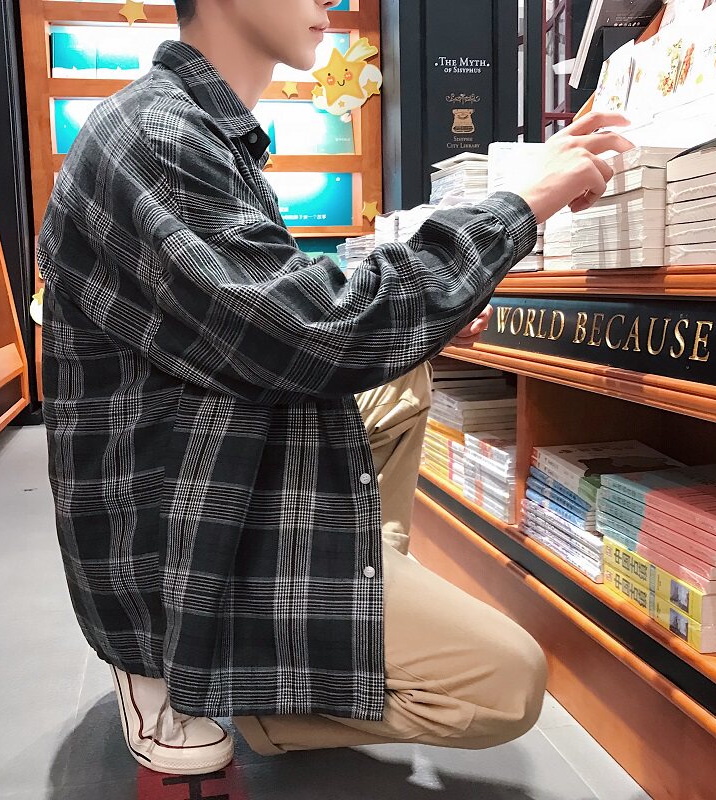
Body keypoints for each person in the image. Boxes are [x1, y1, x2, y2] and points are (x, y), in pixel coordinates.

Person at [38, 0, 632, 777]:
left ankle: (354, 591)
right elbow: (316, 332)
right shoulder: (158, 138)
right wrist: (522, 204)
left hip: (223, 453)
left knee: (404, 362)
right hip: (183, 545)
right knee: (504, 686)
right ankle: (210, 672)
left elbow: (285, 322)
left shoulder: (192, 127)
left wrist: (424, 318)